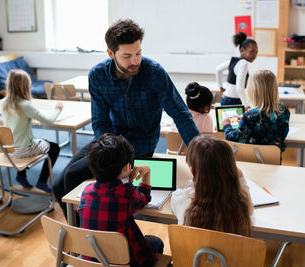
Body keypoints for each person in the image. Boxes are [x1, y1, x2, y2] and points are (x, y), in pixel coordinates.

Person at [52, 19, 199, 217]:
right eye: (127, 56)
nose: (135, 61)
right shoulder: (97, 75)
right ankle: (85, 236)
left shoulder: (154, 72)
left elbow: (180, 114)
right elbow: (100, 122)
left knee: (72, 176)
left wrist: (200, 153)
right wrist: (107, 152)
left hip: (141, 145)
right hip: (111, 142)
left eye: (138, 53)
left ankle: (88, 236)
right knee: (59, 185)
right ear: (111, 54)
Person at [78, 134, 163, 267]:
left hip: (92, 260)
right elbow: (144, 197)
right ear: (126, 168)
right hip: (122, 262)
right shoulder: (126, 193)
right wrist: (147, 172)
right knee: (156, 242)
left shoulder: (87, 191)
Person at [171, 135, 253, 236]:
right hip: (231, 252)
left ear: (192, 171)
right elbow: (249, 206)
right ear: (231, 169)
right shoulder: (242, 205)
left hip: (190, 252)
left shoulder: (181, 199)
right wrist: (240, 178)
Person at [2, 69, 62, 192]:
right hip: (23, 150)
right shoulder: (25, 105)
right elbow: (48, 121)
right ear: (25, 86)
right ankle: (42, 181)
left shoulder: (4, 103)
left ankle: (21, 175)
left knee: (37, 141)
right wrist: (58, 109)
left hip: (9, 149)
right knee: (54, 147)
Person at [222, 70, 290, 152]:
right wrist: (245, 119)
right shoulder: (284, 111)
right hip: (274, 160)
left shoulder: (250, 115)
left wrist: (226, 125)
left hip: (251, 159)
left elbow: (233, 138)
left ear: (253, 91)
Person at [216, 32, 258, 107]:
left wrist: (220, 86)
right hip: (234, 101)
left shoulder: (235, 60)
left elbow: (218, 69)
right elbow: (240, 88)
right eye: (252, 52)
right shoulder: (243, 63)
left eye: (256, 52)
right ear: (242, 50)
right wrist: (246, 105)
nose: (255, 55)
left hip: (226, 98)